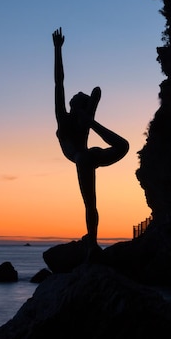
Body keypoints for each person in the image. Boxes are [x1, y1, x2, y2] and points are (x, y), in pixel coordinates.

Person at [52, 27, 129, 258]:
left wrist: (90, 119)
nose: (73, 95)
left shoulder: (73, 119)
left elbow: (67, 86)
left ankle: (92, 243)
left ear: (77, 106)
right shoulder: (68, 118)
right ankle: (92, 242)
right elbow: (62, 83)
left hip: (85, 157)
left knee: (91, 202)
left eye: (76, 98)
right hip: (85, 156)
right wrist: (58, 49)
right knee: (91, 202)